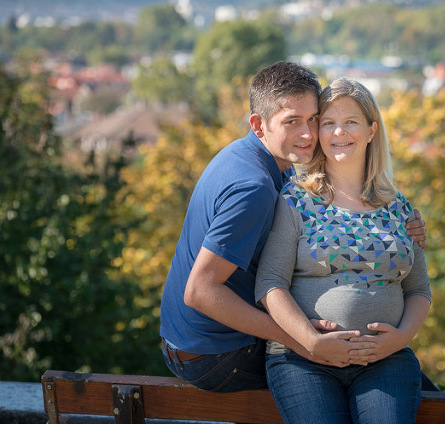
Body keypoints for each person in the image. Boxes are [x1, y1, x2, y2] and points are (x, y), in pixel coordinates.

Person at [158, 62, 429, 392]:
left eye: (313, 119)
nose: (307, 134)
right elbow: (199, 291)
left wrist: (403, 227)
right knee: (370, 376)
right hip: (214, 353)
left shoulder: (266, 160)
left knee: (396, 377)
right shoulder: (253, 188)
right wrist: (303, 340)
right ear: (259, 125)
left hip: (193, 341)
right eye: (292, 122)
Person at [255, 78, 431, 424]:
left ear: (371, 130)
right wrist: (311, 342)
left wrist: (399, 340)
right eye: (328, 123)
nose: (339, 132)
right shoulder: (295, 200)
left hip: (384, 361)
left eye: (350, 121)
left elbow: (419, 290)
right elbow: (270, 284)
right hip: (303, 360)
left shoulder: (398, 207)